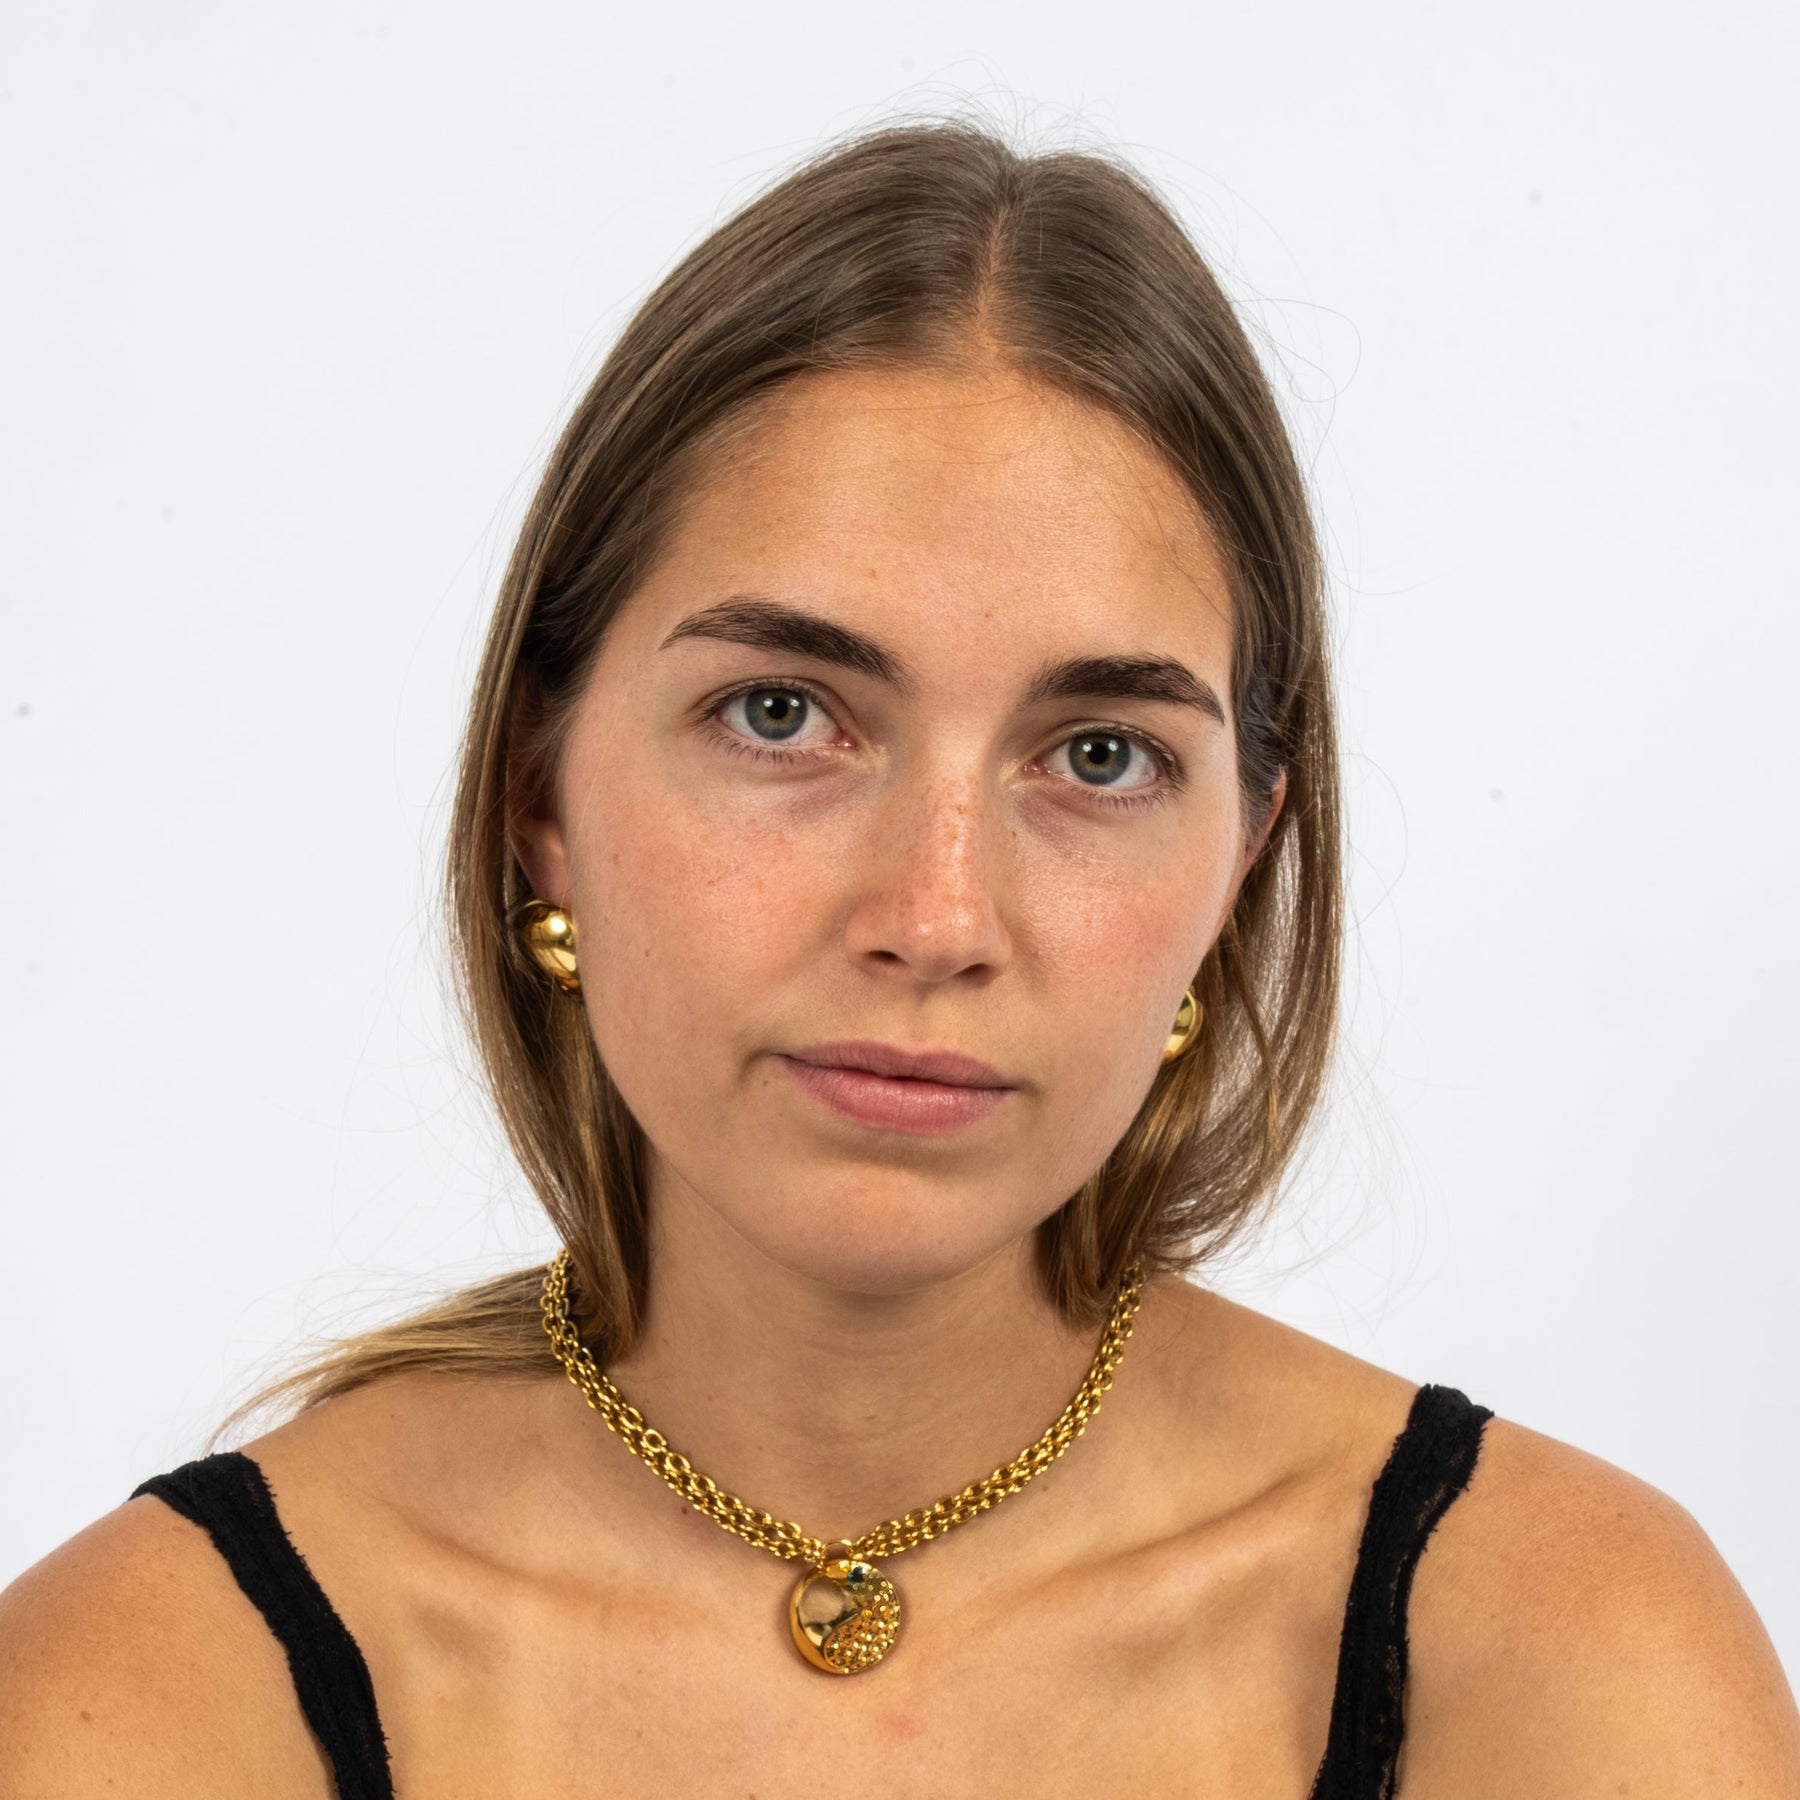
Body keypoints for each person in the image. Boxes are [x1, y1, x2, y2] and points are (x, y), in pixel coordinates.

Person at [2, 120, 1794, 1798]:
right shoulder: (146, 1691)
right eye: (783, 714)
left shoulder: (1566, 1658)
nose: (935, 921)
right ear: (539, 791)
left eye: (1100, 755)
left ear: (1240, 862)